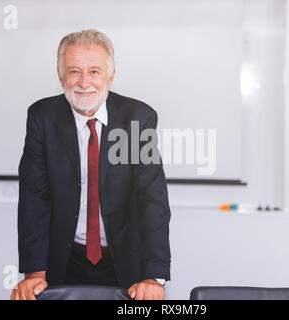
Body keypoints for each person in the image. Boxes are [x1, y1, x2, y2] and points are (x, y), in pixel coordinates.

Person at [10, 29, 171, 300]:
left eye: (95, 71)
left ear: (110, 75)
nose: (84, 82)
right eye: (74, 71)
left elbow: (152, 201)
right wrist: (34, 273)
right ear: (61, 77)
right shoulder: (42, 117)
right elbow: (34, 199)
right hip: (62, 259)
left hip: (125, 262)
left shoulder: (137, 119)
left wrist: (153, 276)